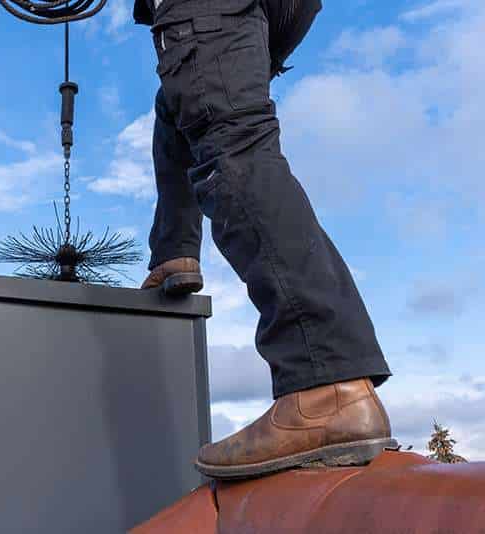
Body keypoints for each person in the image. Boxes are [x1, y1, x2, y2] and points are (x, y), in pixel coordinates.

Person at [134, 0, 397, 479]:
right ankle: (174, 251)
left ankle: (327, 386)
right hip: (242, 17)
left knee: (232, 154)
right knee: (176, 110)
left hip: (206, 12)